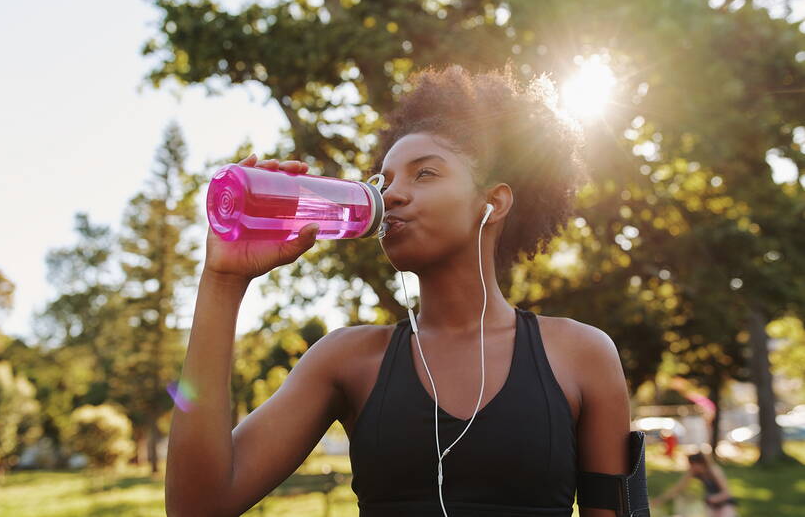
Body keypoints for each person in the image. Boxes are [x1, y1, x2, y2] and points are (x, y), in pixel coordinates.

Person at [165, 64, 640, 517]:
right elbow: (197, 507)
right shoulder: (347, 360)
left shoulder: (580, 355)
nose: (390, 194)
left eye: (425, 173)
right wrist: (222, 282)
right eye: (384, 180)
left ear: (492, 204)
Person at [652, 451, 739, 517]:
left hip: (724, 504)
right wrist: (660, 500)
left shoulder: (714, 471)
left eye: (694, 465)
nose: (692, 467)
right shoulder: (693, 472)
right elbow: (677, 488)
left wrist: (713, 499)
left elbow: (727, 493)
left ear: (701, 463)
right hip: (710, 505)